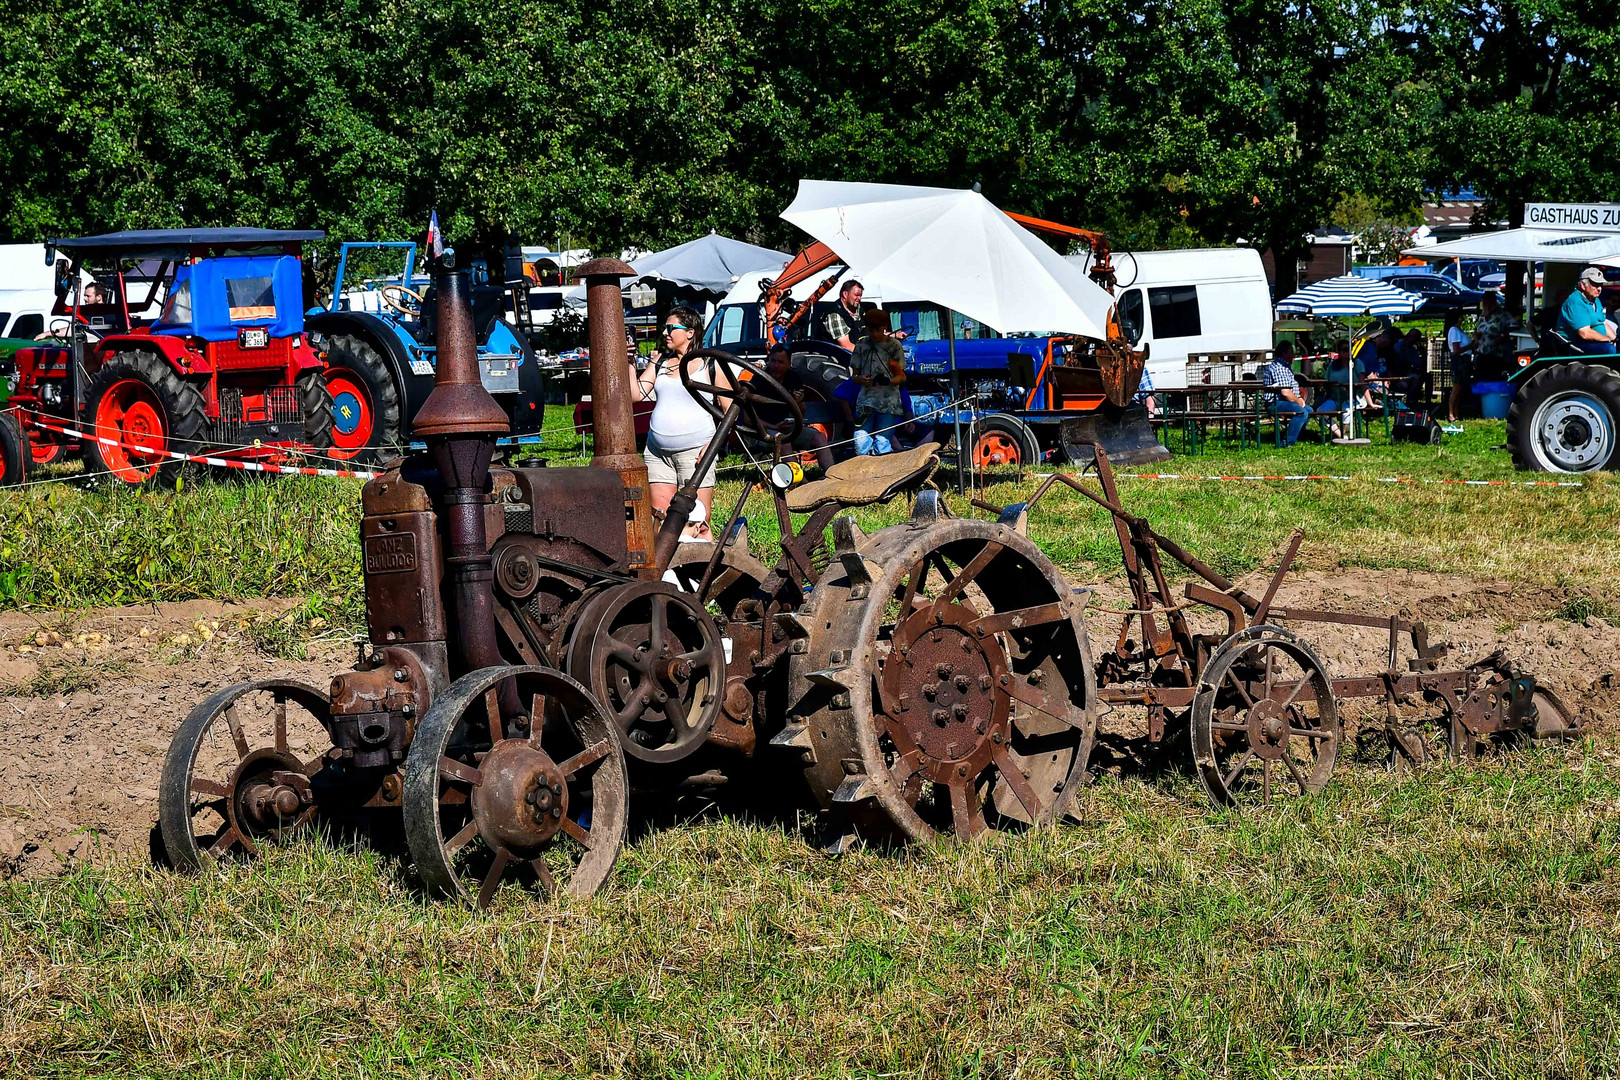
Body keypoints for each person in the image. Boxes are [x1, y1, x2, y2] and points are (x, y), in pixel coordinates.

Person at [635, 306, 730, 540]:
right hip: (657, 453)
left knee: (698, 520)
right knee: (660, 518)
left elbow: (731, 412)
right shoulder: (660, 362)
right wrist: (628, 362)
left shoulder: (710, 364)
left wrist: (712, 447)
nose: (666, 333)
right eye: (665, 328)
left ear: (690, 332)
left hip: (696, 452)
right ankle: (666, 572)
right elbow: (636, 394)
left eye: (671, 328)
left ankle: (701, 571)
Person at [759, 344, 835, 471]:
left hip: (787, 428)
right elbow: (748, 418)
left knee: (819, 437)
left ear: (789, 364)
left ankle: (832, 476)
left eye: (780, 362)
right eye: (773, 361)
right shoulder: (760, 379)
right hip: (763, 431)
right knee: (783, 440)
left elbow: (802, 413)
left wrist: (798, 403)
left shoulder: (793, 378)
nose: (776, 366)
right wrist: (774, 427)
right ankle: (802, 482)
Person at [849, 308, 906, 455]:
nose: (873, 334)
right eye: (870, 330)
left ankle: (882, 475)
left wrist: (889, 381)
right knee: (860, 441)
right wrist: (860, 379)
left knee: (882, 443)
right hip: (866, 402)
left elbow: (901, 376)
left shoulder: (894, 346)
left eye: (877, 330)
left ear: (885, 327)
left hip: (888, 403)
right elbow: (854, 376)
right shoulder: (861, 346)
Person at [1260, 341, 1311, 447]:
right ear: (1284, 354)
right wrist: (1298, 400)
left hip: (1284, 402)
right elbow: (1285, 392)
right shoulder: (1279, 368)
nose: (1293, 356)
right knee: (1301, 412)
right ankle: (1287, 442)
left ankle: (1299, 435)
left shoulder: (1285, 367)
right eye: (1291, 353)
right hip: (1275, 403)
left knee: (1309, 410)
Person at [1555, 267, 1616, 355]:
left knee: (1614, 347)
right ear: (1583, 285)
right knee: (1609, 349)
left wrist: (1615, 340)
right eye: (1595, 285)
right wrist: (1608, 340)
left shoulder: (1596, 300)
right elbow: (1585, 333)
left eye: (1600, 284)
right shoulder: (1575, 302)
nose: (1599, 289)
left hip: (1595, 343)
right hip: (1574, 346)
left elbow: (1603, 323)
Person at [1471, 291, 1515, 381]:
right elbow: (1477, 329)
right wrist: (1475, 336)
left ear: (1494, 302)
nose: (1485, 304)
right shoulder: (1482, 316)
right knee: (1480, 379)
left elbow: (1514, 329)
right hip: (1482, 353)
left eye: (1488, 301)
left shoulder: (1503, 315)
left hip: (1497, 354)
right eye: (1484, 302)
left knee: (1494, 379)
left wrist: (1503, 337)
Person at [1445, 309, 1472, 422]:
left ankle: (1456, 413)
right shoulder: (1454, 330)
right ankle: (1451, 413)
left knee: (1460, 388)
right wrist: (1471, 346)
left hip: (1464, 360)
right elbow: (1456, 350)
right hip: (1459, 360)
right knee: (1456, 387)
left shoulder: (1459, 330)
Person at [822, 280, 865, 351]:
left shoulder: (860, 311)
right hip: (837, 358)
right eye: (856, 295)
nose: (859, 299)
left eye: (860, 296)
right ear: (845, 294)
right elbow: (846, 346)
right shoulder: (834, 315)